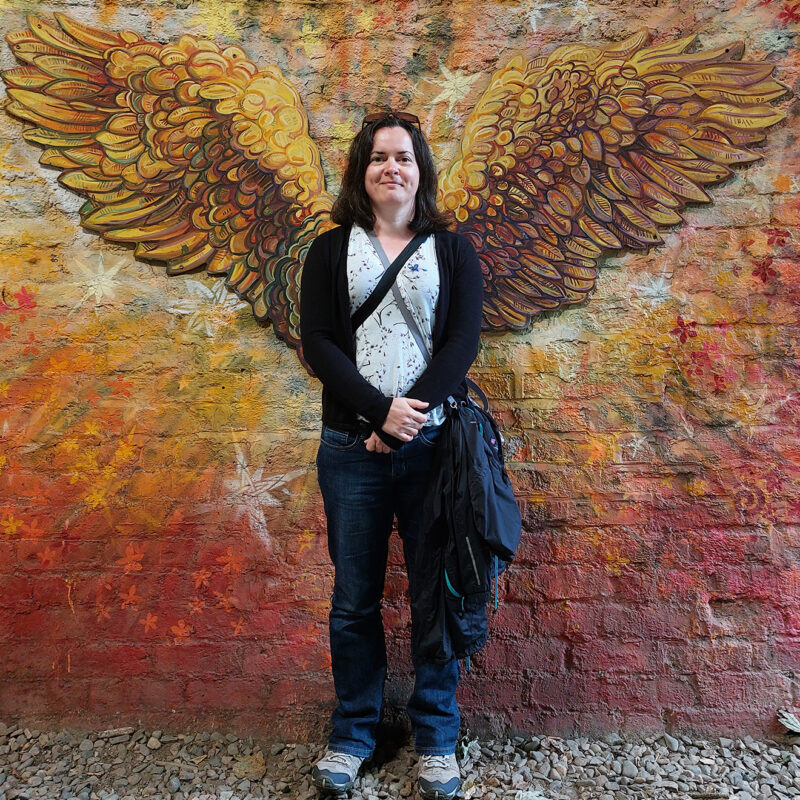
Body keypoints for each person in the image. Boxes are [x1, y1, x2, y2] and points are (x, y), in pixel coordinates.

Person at [300, 110, 483, 799]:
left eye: (403, 157)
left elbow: (462, 342)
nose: (391, 168)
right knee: (354, 599)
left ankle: (437, 737)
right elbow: (318, 342)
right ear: (361, 170)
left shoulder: (453, 251)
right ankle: (354, 733)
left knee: (437, 595)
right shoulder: (328, 251)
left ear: (420, 170)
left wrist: (409, 417)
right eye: (379, 157)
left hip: (433, 449)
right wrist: (377, 412)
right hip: (351, 449)